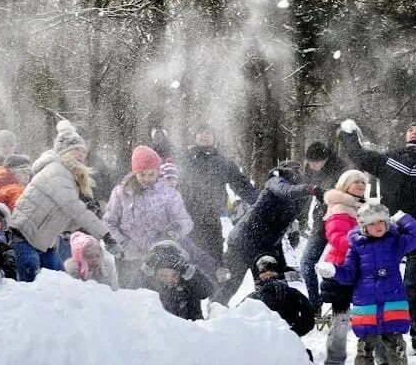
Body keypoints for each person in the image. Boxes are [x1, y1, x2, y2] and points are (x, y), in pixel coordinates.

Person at [340, 118, 416, 355]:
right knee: (381, 284)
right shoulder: (391, 159)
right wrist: (349, 133)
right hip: (387, 234)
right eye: (410, 128)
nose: (414, 131)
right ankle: (384, 335)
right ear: (405, 136)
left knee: (411, 286)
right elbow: (360, 156)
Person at [318, 203, 416, 365]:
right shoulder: (356, 247)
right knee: (365, 344)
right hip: (366, 303)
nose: (378, 226)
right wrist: (334, 271)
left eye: (382, 222)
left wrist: (403, 217)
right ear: (363, 226)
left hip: (392, 301)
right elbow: (349, 275)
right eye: (373, 223)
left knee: (396, 343)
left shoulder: (395, 242)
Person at [10, 121, 117, 282]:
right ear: (64, 152)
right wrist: (106, 235)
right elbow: (74, 207)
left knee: (61, 282)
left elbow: (64, 221)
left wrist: (89, 210)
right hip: (24, 236)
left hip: (44, 241)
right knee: (31, 280)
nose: (81, 155)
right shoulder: (56, 171)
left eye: (83, 151)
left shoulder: (70, 177)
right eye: (76, 150)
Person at [215, 160, 322, 305]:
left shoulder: (300, 197)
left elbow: (284, 225)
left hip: (265, 247)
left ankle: (263, 318)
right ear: (283, 170)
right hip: (243, 241)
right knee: (230, 285)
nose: (297, 171)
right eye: (293, 169)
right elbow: (287, 192)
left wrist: (283, 259)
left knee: (271, 287)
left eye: (299, 169)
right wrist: (310, 189)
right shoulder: (275, 181)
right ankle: (214, 314)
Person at [104, 145, 194, 286]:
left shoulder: (169, 194)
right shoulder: (121, 193)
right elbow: (109, 222)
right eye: (142, 174)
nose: (146, 178)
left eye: (151, 174)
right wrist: (123, 245)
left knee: (153, 301)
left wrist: (175, 230)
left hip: (158, 259)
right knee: (130, 296)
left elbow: (185, 221)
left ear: (158, 172)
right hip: (128, 257)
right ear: (135, 173)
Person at [178, 125, 258, 269]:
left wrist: (260, 201)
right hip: (187, 222)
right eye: (201, 132)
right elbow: (172, 185)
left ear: (214, 137)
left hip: (211, 222)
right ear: (195, 136)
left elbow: (241, 184)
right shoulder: (185, 160)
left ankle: (214, 291)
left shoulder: (222, 162)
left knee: (214, 265)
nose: (204, 135)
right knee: (186, 265)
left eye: (208, 132)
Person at [318, 169, 368, 365]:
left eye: (363, 182)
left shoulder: (362, 207)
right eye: (356, 181)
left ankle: (377, 359)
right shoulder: (339, 207)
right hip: (341, 269)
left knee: (370, 315)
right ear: (344, 184)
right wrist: (365, 242)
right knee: (341, 318)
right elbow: (337, 239)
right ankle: (334, 361)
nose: (360, 185)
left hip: (362, 269)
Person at [297, 141, 348, 313]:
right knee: (306, 263)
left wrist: (326, 194)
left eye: (316, 162)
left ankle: (340, 307)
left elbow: (348, 195)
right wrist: (301, 220)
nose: (313, 166)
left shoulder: (341, 168)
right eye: (310, 163)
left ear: (325, 159)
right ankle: (314, 304)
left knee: (337, 267)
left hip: (341, 224)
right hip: (321, 222)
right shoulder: (309, 168)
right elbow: (305, 195)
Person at [246, 254, 315, 339]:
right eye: (263, 271)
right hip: (263, 342)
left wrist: (292, 333)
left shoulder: (292, 293)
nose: (268, 273)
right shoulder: (254, 297)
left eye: (271, 269)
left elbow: (309, 318)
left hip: (285, 342)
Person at [140, 241, 213, 321]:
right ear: (155, 275)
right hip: (159, 328)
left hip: (190, 327)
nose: (169, 279)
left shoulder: (189, 283)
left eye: (174, 275)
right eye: (163, 276)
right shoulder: (150, 286)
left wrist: (191, 272)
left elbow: (207, 291)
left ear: (180, 273)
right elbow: (134, 292)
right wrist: (145, 271)